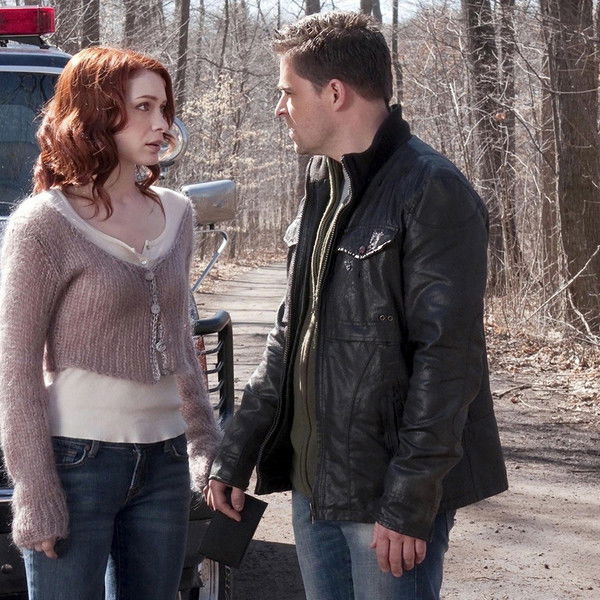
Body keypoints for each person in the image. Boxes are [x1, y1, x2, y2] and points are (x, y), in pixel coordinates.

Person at [206, 11, 508, 600]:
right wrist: (237, 449)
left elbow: (449, 360)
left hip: (383, 499)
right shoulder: (323, 180)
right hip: (313, 486)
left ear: (335, 93)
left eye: (288, 92)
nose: (279, 108)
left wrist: (410, 498)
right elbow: (291, 333)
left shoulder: (432, 189)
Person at [0, 47, 221, 600]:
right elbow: (15, 367)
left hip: (166, 461)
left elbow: (180, 340)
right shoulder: (44, 223)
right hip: (78, 463)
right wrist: (33, 488)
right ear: (97, 113)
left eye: (164, 108)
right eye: (143, 107)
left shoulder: (177, 213)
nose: (161, 124)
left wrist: (205, 443)